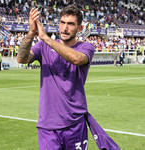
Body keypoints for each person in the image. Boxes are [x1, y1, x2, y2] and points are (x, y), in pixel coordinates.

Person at [17, 5, 95, 149]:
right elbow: (22, 59)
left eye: (70, 24)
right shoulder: (43, 47)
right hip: (48, 125)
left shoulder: (86, 47)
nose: (65, 28)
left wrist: (45, 38)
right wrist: (30, 33)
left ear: (79, 28)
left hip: (75, 123)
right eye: (62, 22)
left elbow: (76, 59)